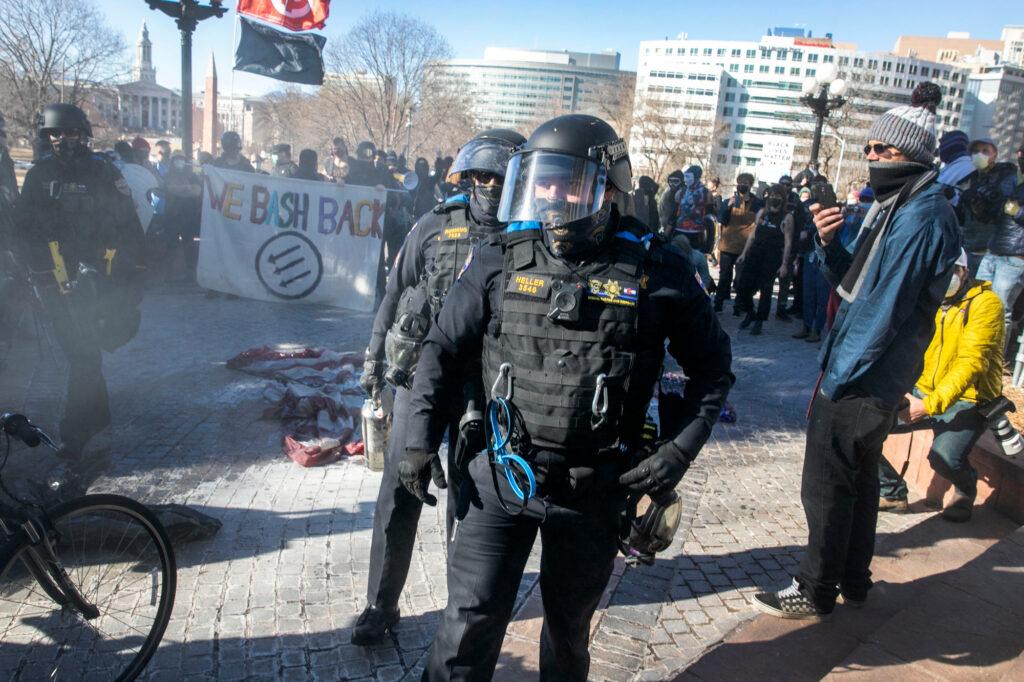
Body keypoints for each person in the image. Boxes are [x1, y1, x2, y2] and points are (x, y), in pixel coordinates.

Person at [399, 114, 733, 680]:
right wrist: (418, 438)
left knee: (568, 634)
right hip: (500, 477)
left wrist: (675, 453)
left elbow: (712, 371)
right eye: (541, 180)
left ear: (609, 185)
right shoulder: (500, 258)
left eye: (566, 181)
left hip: (595, 490)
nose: (551, 196)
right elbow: (442, 348)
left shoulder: (658, 270)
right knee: (466, 624)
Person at [753, 82, 961, 620]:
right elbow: (858, 283)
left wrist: (837, 378)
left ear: (913, 155)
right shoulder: (900, 205)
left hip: (864, 377)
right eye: (868, 149)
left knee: (825, 487)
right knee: (858, 481)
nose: (871, 158)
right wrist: (828, 244)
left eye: (882, 150)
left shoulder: (921, 213)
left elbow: (882, 308)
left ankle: (815, 587)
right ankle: (853, 578)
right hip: (872, 373)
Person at [353, 128, 526, 645]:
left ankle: (461, 613)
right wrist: (375, 358)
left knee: (471, 502)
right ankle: (380, 605)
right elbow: (395, 290)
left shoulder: (529, 236)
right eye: (478, 175)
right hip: (422, 381)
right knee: (399, 493)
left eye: (495, 176)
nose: (485, 185)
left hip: (487, 386)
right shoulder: (433, 225)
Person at [14, 104, 145, 494]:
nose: (64, 140)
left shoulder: (105, 173)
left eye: (71, 133)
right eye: (56, 134)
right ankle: (93, 424)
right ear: (48, 137)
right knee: (81, 356)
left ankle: (74, 440)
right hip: (55, 283)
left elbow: (129, 229)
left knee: (85, 355)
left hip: (97, 284)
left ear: (83, 135)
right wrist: (30, 270)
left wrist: (129, 283)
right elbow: (23, 229)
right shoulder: (39, 176)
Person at [878, 250, 1003, 522]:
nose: (944, 279)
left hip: (968, 399)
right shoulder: (928, 299)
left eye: (952, 271)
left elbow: (971, 364)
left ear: (965, 272)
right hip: (924, 390)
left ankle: (965, 487)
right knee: (863, 426)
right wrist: (902, 388)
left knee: (943, 457)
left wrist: (930, 405)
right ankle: (892, 492)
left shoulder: (986, 304)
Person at [974, 141, 1024, 360]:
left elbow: (1014, 212)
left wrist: (1019, 211)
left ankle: (992, 363)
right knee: (977, 302)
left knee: (1000, 310)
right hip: (994, 251)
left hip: (1015, 257)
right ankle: (974, 351)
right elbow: (996, 214)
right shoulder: (1013, 181)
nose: (1020, 154)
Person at [734, 184, 794, 336]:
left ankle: (759, 320)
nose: (775, 198)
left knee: (766, 290)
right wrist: (743, 253)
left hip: (772, 257)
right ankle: (750, 312)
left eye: (778, 196)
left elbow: (788, 243)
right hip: (755, 254)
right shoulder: (761, 212)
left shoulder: (787, 217)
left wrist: (784, 264)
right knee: (742, 286)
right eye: (772, 195)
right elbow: (753, 235)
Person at [959, 138, 1017, 275]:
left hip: (988, 250)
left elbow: (1004, 208)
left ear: (995, 154)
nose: (980, 154)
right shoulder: (973, 178)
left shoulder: (1005, 175)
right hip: (969, 245)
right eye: (976, 151)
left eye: (985, 151)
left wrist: (982, 198)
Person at [715, 173, 761, 313]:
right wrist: (727, 207)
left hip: (746, 247)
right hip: (728, 245)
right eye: (741, 182)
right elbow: (721, 220)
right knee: (724, 277)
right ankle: (718, 303)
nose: (743, 184)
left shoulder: (757, 203)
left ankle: (739, 305)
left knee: (741, 279)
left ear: (751, 185)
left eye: (746, 182)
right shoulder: (729, 201)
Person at [673, 165, 708, 250]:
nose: (685, 179)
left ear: (696, 177)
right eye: (685, 176)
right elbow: (676, 202)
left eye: (688, 176)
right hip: (681, 228)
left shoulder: (705, 192)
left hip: (695, 230)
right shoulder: (683, 190)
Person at [659, 169, 684, 235]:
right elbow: (661, 211)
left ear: (682, 181)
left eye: (676, 181)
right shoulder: (667, 193)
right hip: (666, 227)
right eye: (670, 181)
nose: (672, 184)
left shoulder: (685, 194)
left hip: (680, 229)